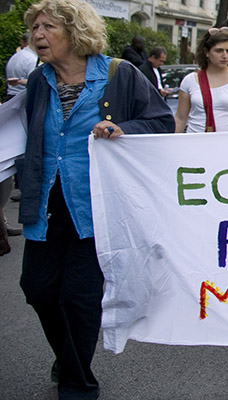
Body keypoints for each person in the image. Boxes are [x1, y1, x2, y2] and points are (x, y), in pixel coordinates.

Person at [18, 0, 174, 398]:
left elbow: (161, 123)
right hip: (48, 203)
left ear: (74, 31)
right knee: (37, 288)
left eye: (47, 26)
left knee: (80, 296)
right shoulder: (38, 81)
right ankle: (69, 355)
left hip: (99, 205)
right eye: (34, 27)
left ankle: (77, 383)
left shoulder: (121, 75)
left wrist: (121, 127)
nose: (37, 34)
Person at [174, 27, 228, 133]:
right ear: (207, 52)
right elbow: (180, 118)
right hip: (195, 143)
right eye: (219, 51)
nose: (224, 55)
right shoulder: (190, 80)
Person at [4, 32, 38, 101]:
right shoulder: (32, 59)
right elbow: (34, 83)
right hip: (22, 99)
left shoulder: (15, 56)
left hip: (10, 97)